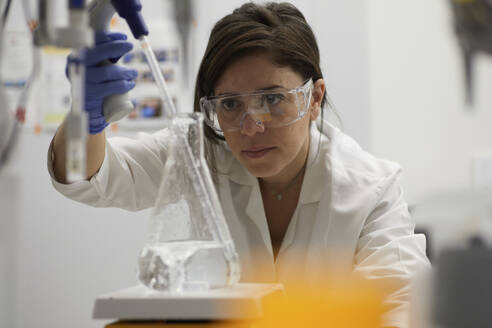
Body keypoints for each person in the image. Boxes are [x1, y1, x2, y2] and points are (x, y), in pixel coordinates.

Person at [48, 2, 430, 327]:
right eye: (230, 104)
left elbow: (400, 306)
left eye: (273, 99)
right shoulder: (202, 155)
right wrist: (84, 115)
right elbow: (89, 177)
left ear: (314, 99)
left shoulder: (371, 189)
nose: (250, 126)